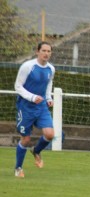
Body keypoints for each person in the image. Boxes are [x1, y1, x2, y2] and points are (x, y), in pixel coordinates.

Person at [14, 42, 55, 178]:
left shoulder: (51, 69)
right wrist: (31, 97)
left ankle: (36, 151)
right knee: (25, 139)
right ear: (37, 52)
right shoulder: (27, 66)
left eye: (49, 51)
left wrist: (48, 97)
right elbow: (18, 86)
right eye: (43, 50)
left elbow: (48, 84)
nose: (46, 54)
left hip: (41, 106)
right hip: (26, 107)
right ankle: (18, 168)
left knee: (50, 134)